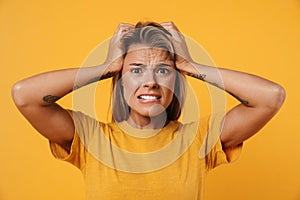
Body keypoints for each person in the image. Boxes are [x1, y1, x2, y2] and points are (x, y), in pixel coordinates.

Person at [12, 21, 285, 200]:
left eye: (164, 70)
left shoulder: (200, 140)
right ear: (120, 80)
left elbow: (270, 97)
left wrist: (190, 65)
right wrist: (104, 67)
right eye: (136, 69)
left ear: (176, 82)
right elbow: (25, 95)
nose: (150, 81)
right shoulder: (90, 139)